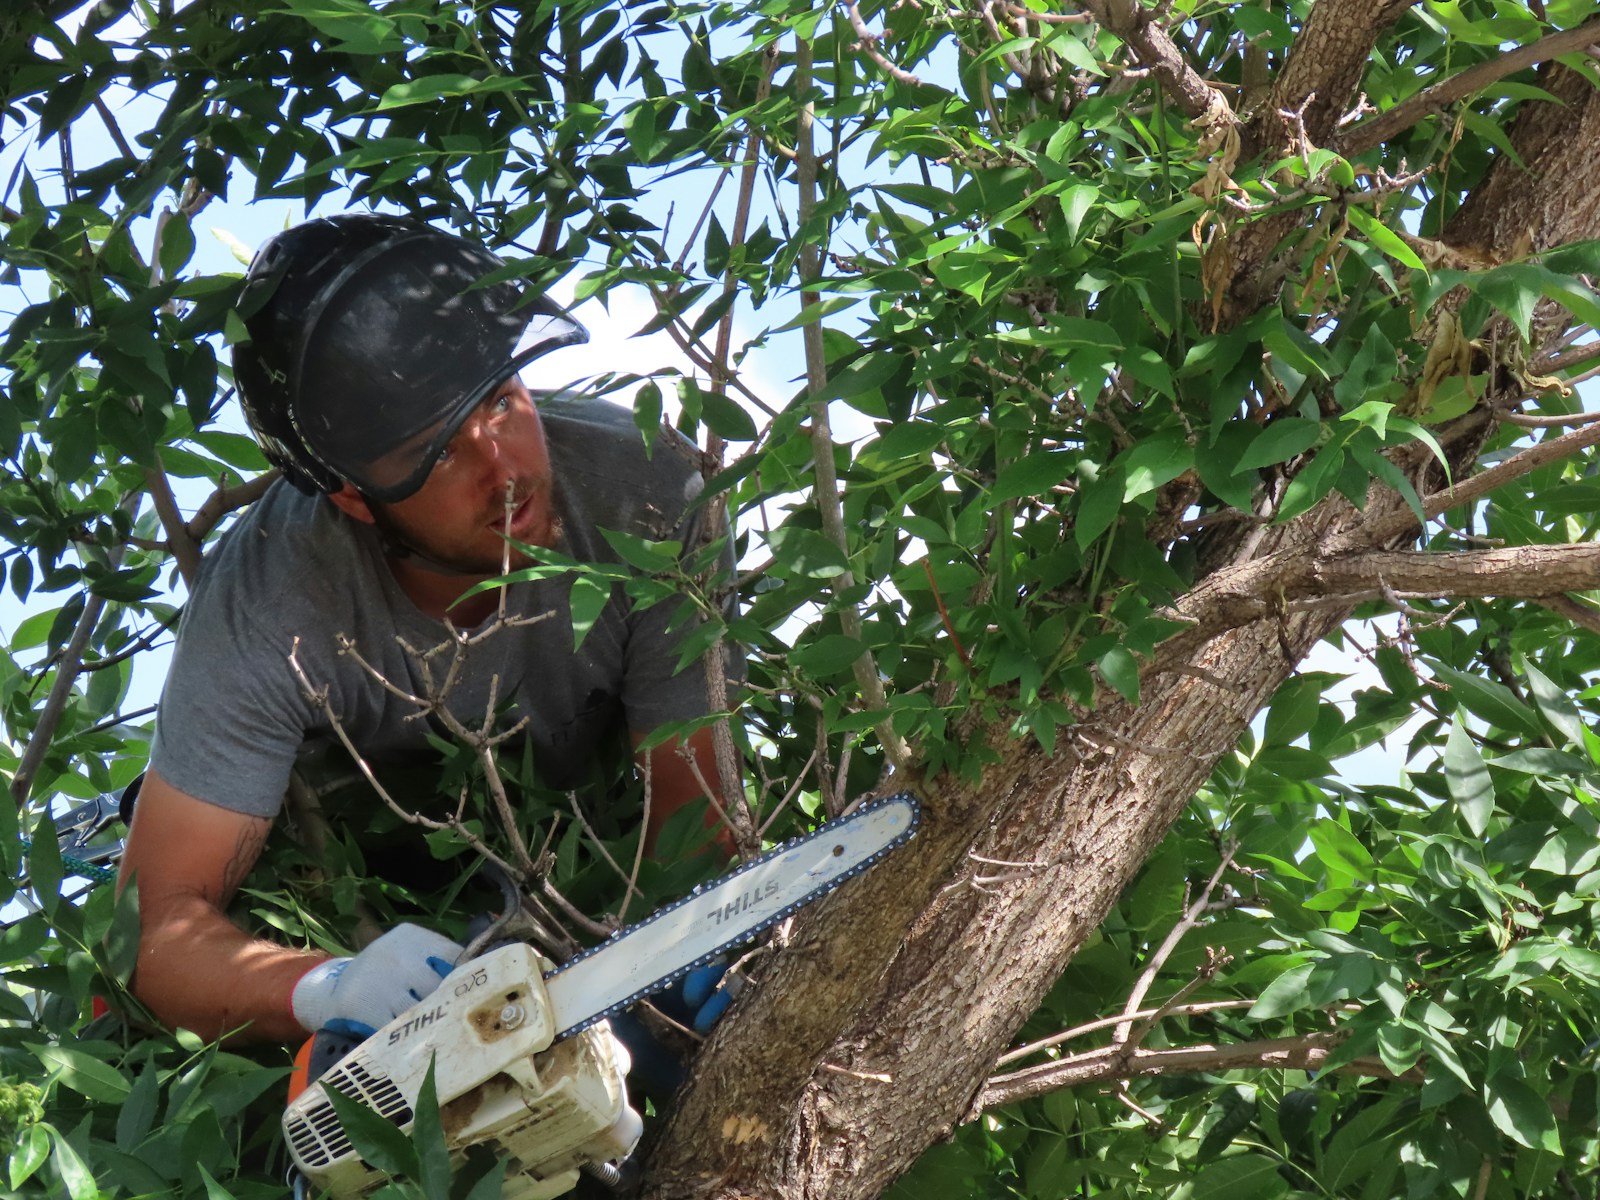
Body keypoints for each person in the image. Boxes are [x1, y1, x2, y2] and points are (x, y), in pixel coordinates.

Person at [116, 213, 739, 1046]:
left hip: (588, 858)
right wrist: (321, 987)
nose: (507, 469)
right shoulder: (268, 605)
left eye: (504, 402)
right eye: (440, 453)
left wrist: (687, 941)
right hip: (351, 891)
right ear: (348, 494)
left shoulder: (654, 495)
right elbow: (152, 934)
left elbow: (693, 819)